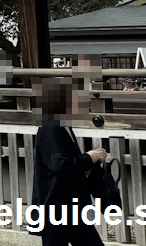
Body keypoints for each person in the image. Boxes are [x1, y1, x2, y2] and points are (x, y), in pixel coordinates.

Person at [33, 79, 107, 246]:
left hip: (70, 202)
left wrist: (90, 161)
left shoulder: (61, 125)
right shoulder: (51, 128)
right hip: (58, 203)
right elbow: (60, 166)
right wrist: (89, 158)